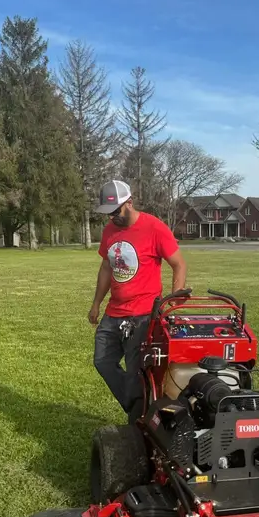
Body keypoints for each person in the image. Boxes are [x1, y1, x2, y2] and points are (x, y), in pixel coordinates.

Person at [89, 179, 187, 421]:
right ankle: (140, 406)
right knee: (102, 361)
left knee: (136, 371)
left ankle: (138, 421)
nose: (112, 218)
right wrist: (96, 304)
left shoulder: (154, 228)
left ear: (129, 203)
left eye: (116, 211)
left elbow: (178, 264)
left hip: (143, 315)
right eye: (108, 213)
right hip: (114, 313)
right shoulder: (110, 231)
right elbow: (105, 267)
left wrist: (175, 296)